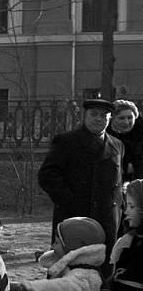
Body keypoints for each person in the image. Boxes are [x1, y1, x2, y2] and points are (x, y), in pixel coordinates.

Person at [38, 98, 124, 271]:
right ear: (84, 116)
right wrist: (70, 201)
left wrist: (118, 212)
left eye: (104, 115)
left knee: (103, 270)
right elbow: (47, 175)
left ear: (109, 119)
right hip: (74, 220)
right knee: (68, 269)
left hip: (106, 220)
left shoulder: (117, 145)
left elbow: (118, 183)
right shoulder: (66, 142)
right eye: (94, 114)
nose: (99, 119)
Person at [108, 99, 143, 182]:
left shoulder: (140, 131)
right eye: (121, 118)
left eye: (130, 117)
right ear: (112, 118)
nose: (126, 122)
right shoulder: (105, 134)